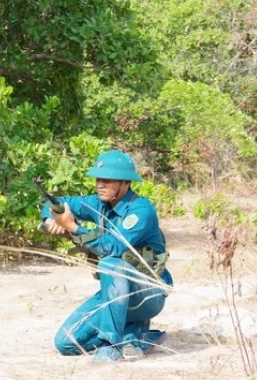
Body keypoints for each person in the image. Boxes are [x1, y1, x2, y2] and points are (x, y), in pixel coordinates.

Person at [40, 150, 171, 362]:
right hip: (114, 293)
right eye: (98, 179)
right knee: (65, 342)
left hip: (147, 293)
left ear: (126, 183)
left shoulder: (140, 210)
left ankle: (112, 345)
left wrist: (72, 227)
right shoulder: (99, 203)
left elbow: (113, 248)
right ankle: (136, 335)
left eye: (107, 180)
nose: (100, 184)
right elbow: (56, 203)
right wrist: (51, 220)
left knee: (111, 263)